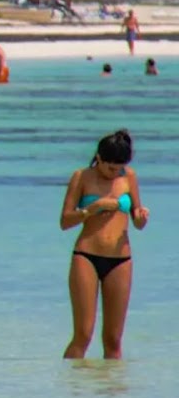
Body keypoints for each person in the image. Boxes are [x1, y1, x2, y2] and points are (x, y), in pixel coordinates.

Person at [60, 129, 149, 359]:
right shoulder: (81, 177)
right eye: (110, 167)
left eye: (119, 168)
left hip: (120, 260)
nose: (115, 172)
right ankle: (71, 392)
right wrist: (93, 208)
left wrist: (140, 217)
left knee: (113, 340)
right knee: (83, 335)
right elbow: (65, 221)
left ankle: (112, 393)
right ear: (98, 158)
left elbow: (137, 220)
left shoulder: (129, 177)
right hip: (86, 256)